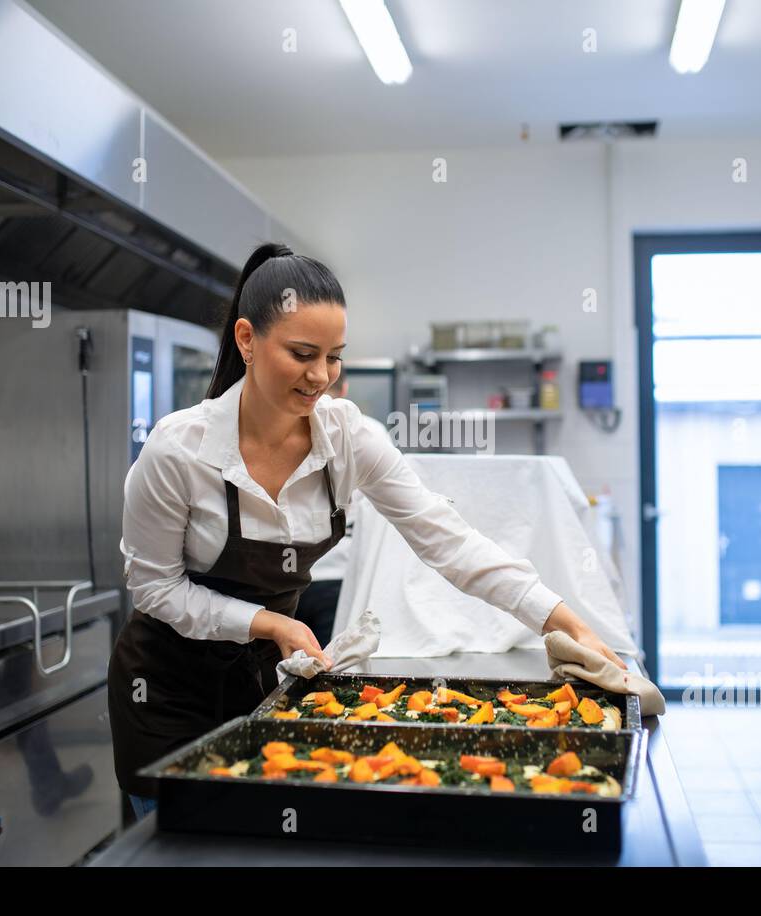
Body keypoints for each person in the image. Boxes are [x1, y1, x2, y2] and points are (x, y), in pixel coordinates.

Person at [107, 243, 625, 820]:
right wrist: (268, 622)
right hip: (164, 695)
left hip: (265, 687)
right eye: (302, 353)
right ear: (247, 340)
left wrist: (562, 618)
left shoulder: (348, 439)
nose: (321, 377)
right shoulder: (179, 450)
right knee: (178, 849)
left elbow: (448, 540)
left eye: (334, 357)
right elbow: (153, 588)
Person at [292, 373, 386, 646]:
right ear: (344, 389)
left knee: (280, 679)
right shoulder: (368, 431)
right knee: (325, 671)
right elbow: (379, 516)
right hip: (339, 576)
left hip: (285, 578)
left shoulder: (279, 427)